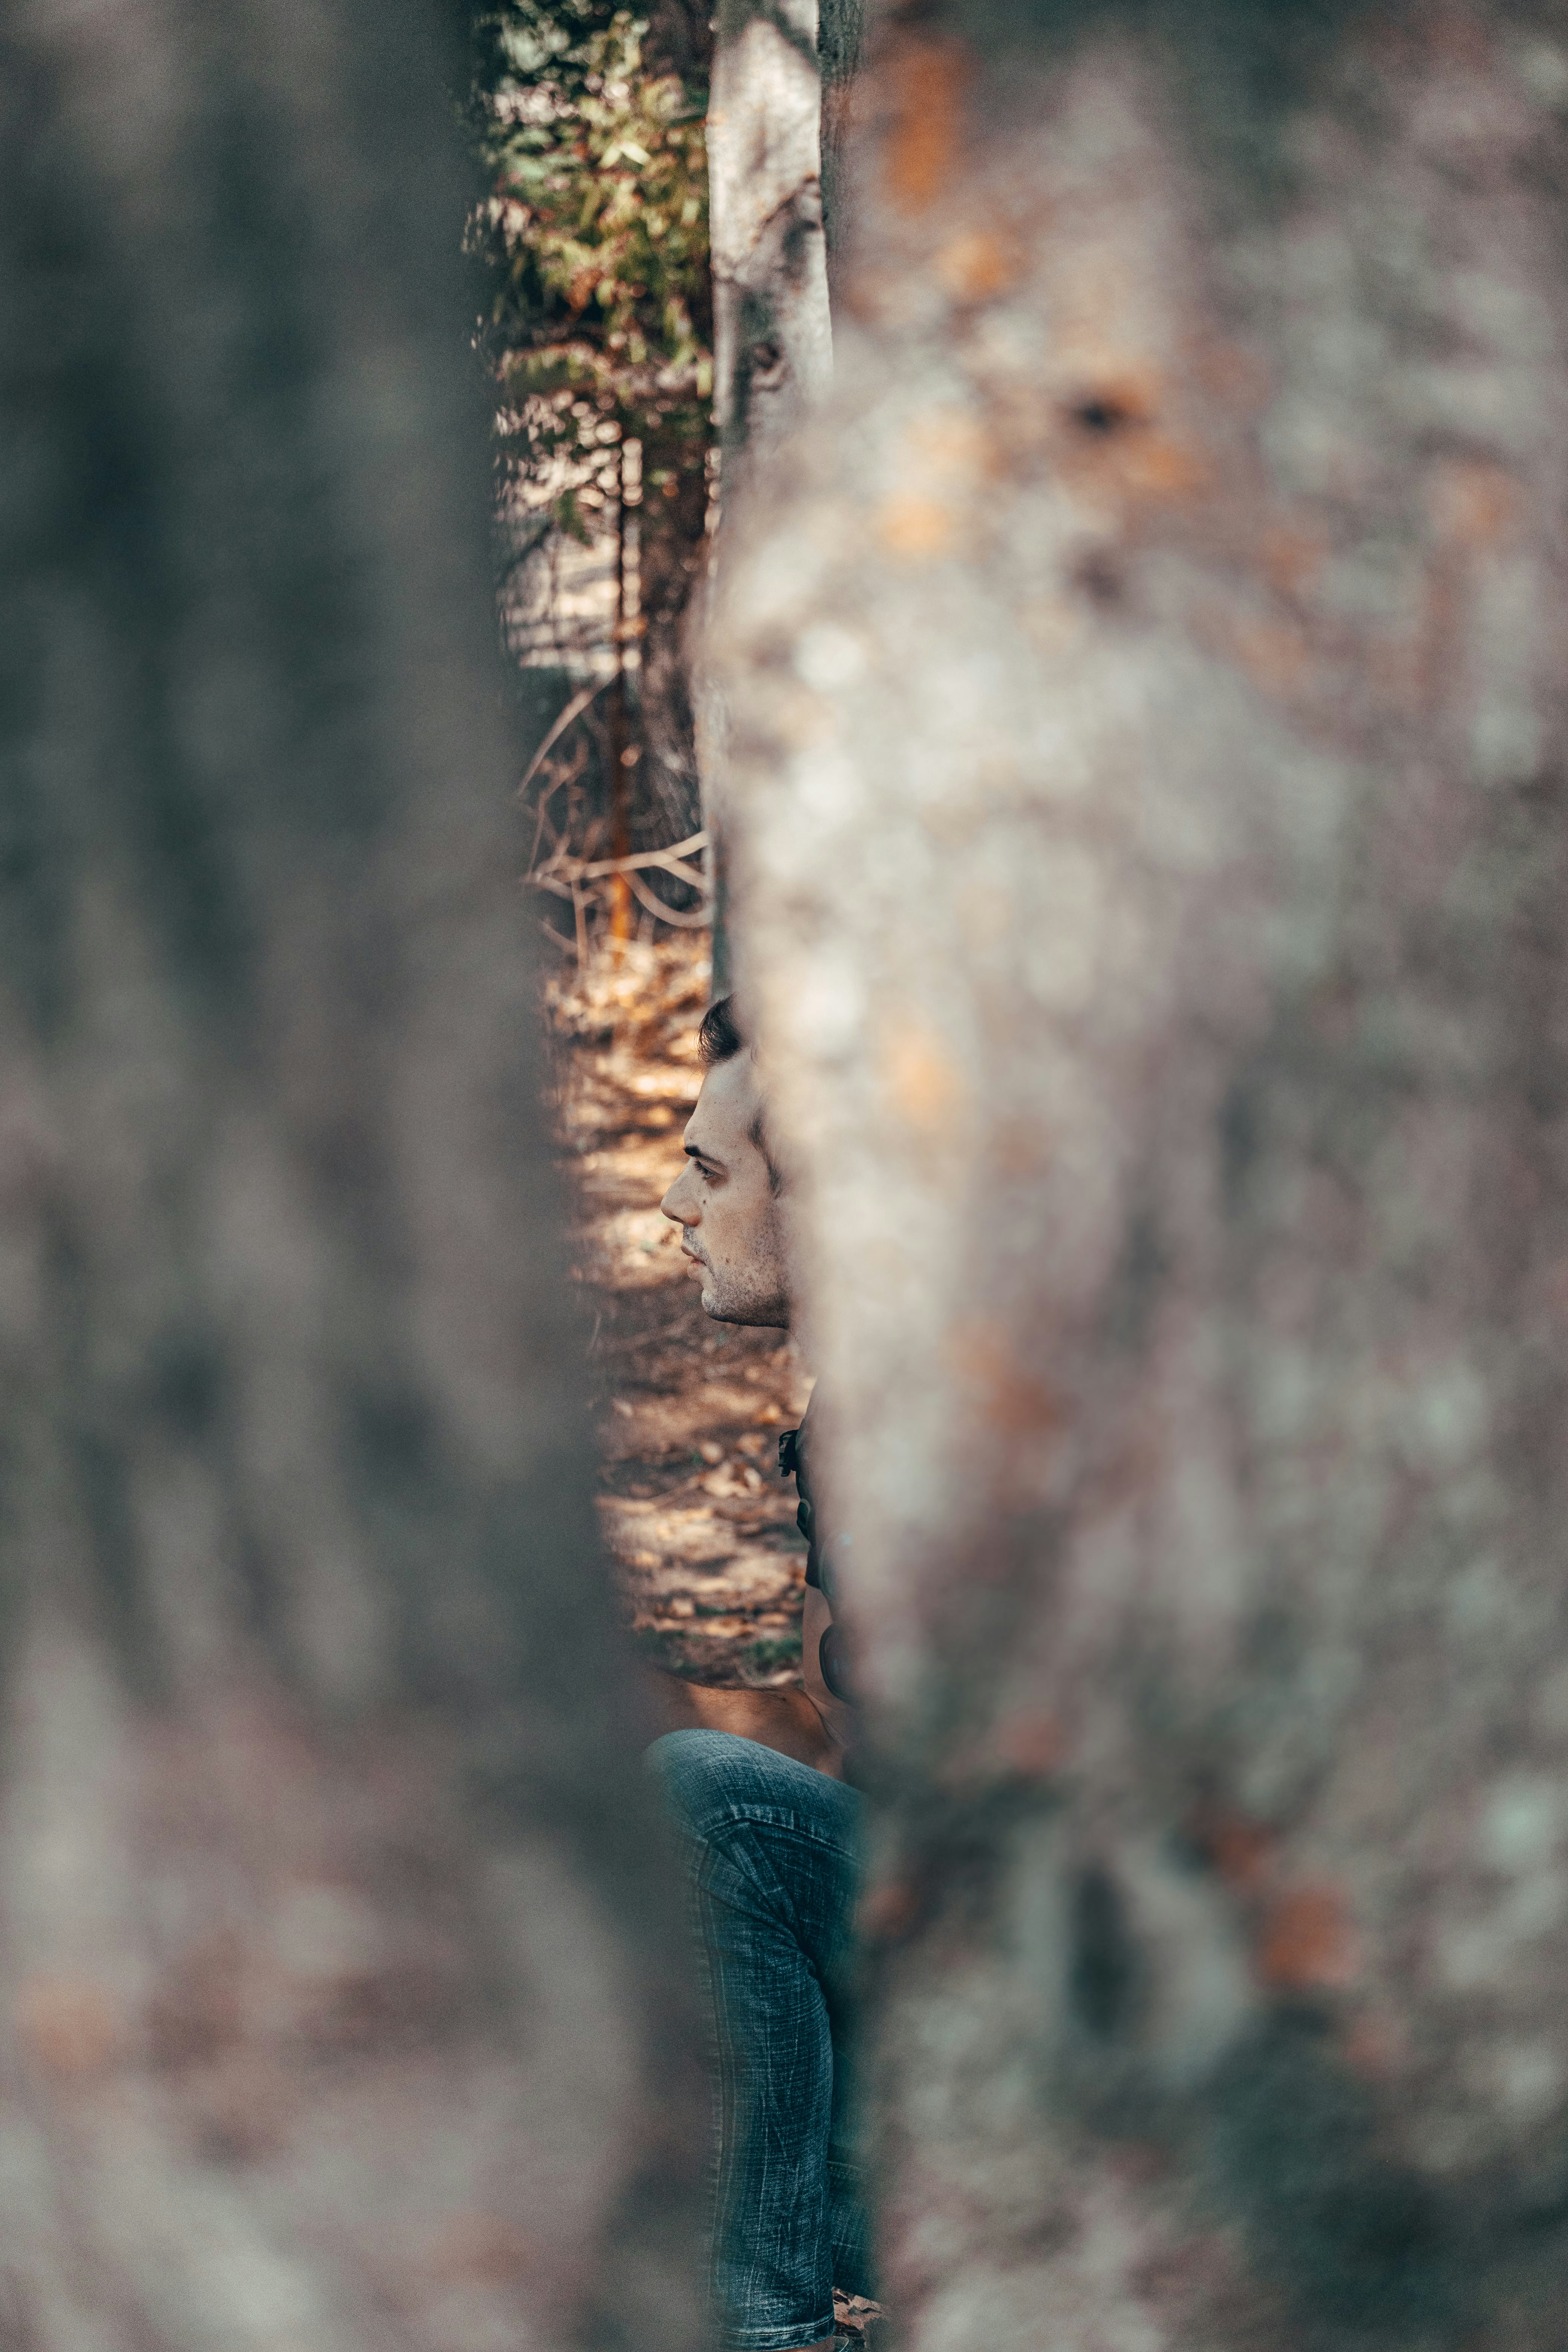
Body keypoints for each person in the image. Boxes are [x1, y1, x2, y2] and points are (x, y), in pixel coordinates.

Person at [645, 995, 870, 2352]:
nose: (675, 1207)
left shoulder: (952, 1431)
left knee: (712, 1805)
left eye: (709, 1171)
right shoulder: (851, 1420)